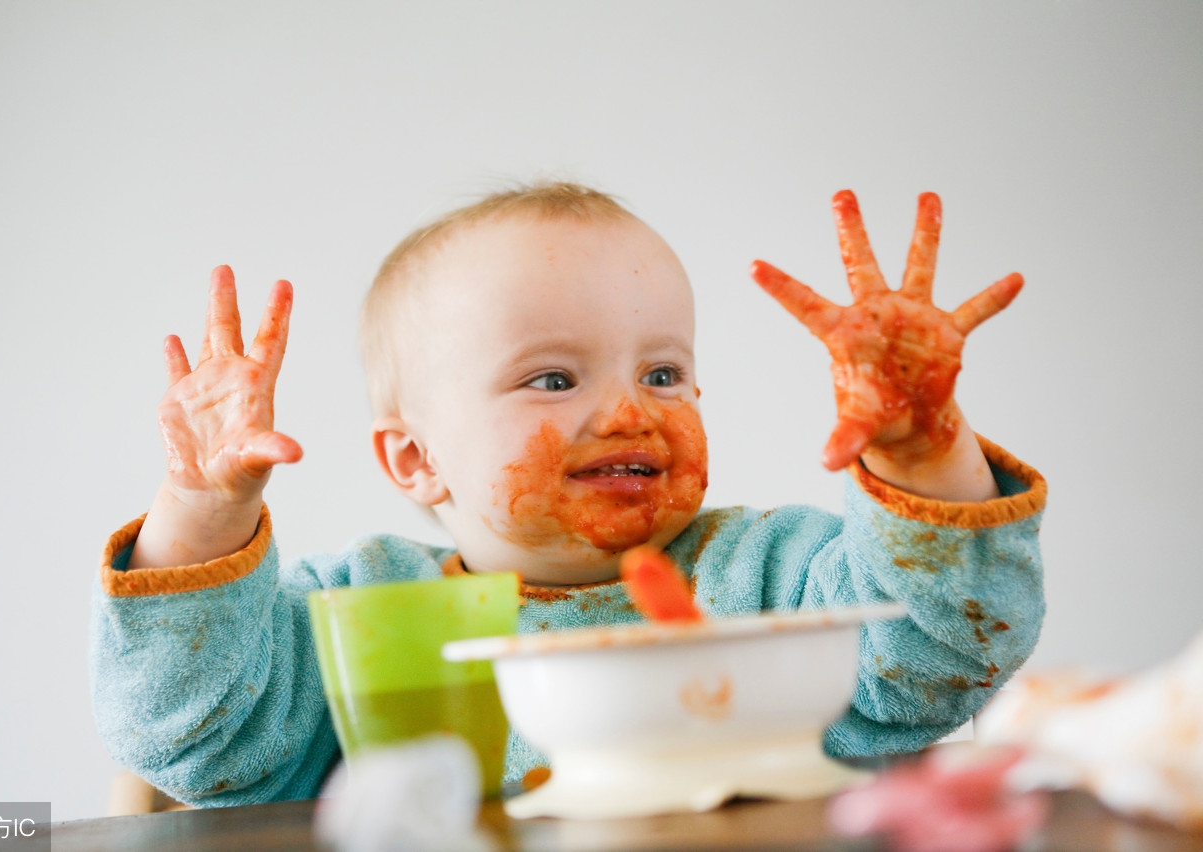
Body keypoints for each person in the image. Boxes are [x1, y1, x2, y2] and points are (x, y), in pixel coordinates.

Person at [90, 182, 1046, 807]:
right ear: (417, 460)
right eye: (553, 380)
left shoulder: (773, 578)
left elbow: (941, 653)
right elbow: (198, 739)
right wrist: (205, 510)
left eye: (665, 374)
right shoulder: (368, 616)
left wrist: (925, 449)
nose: (630, 409)